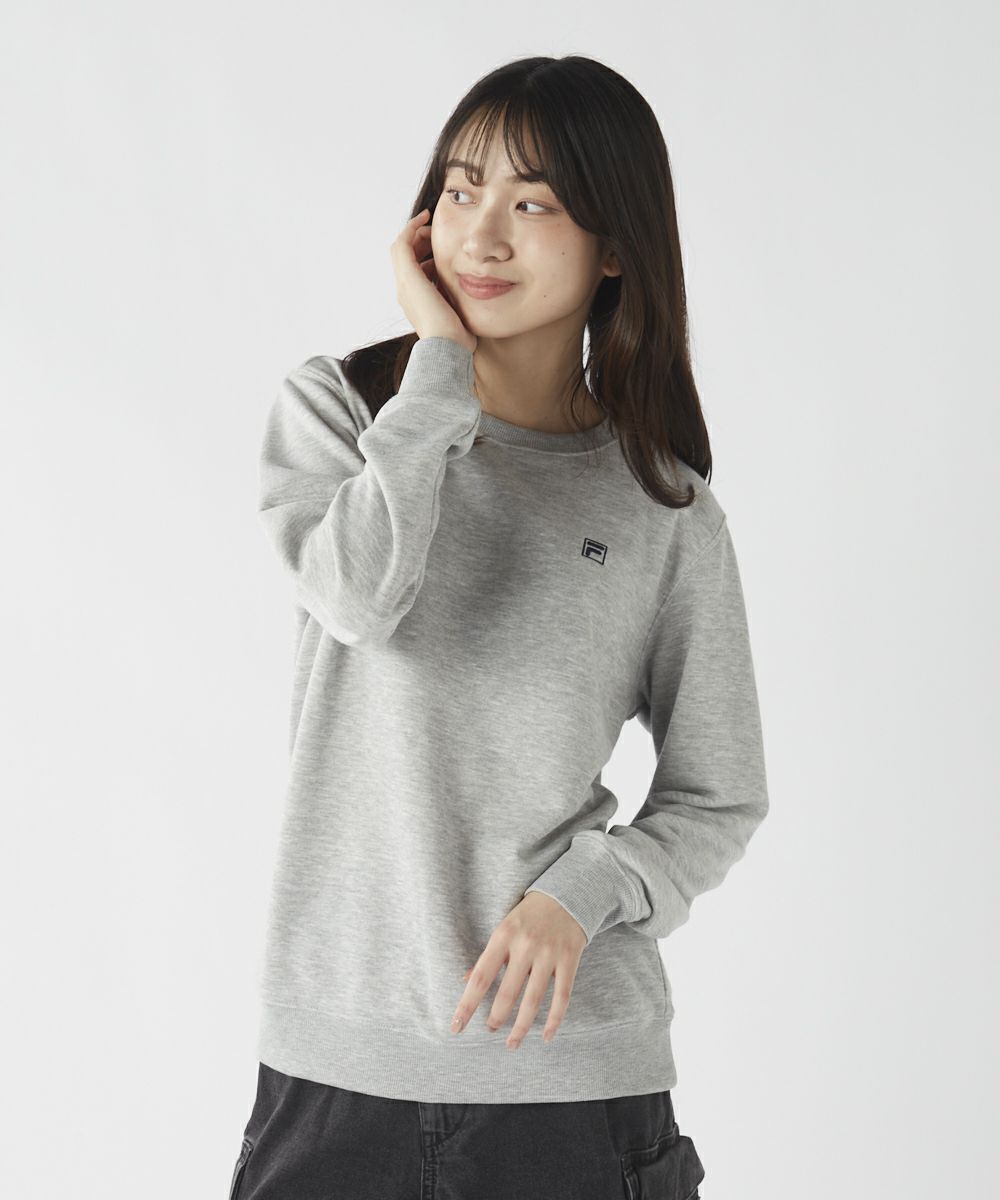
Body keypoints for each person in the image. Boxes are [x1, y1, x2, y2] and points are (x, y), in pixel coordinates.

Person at [230, 53, 769, 1200]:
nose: (480, 234)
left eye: (533, 204)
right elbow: (358, 598)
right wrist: (437, 374)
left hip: (572, 1084)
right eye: (461, 189)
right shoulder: (343, 415)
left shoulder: (663, 508)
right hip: (337, 1073)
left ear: (613, 246)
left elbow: (720, 795)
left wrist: (583, 894)